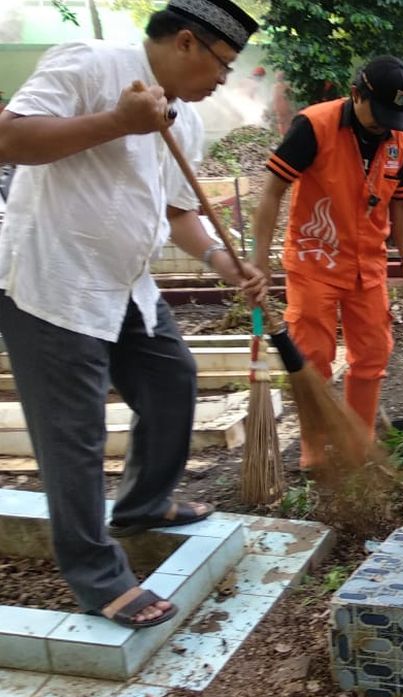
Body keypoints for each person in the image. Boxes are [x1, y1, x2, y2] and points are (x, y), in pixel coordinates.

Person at [0, 0, 265, 628]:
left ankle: (143, 504)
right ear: (184, 43)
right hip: (52, 284)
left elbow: (177, 216)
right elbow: (9, 137)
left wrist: (224, 265)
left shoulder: (186, 120)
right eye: (223, 65)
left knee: (172, 379)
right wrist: (119, 121)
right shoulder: (91, 64)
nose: (224, 80)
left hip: (124, 288)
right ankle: (96, 575)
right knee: (76, 437)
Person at [252, 55, 403, 470]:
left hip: (367, 265)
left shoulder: (398, 137)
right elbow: (271, 192)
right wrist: (258, 260)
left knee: (373, 353)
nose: (385, 124)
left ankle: (357, 443)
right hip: (316, 259)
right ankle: (314, 446)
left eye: (394, 116)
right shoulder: (314, 126)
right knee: (312, 355)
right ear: (356, 94)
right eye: (379, 112)